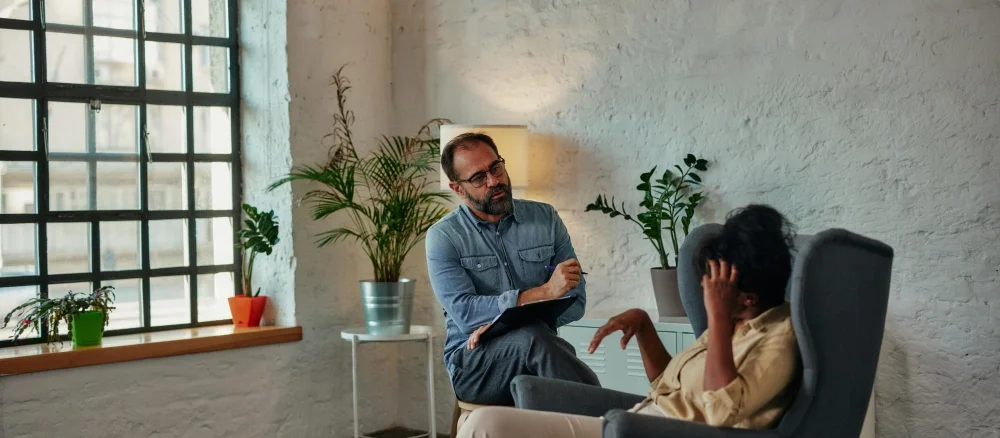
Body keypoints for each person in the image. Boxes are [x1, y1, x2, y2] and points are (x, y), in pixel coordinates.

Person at [457, 204, 802, 437]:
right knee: (483, 421)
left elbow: (717, 412)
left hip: (650, 432)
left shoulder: (776, 341)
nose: (704, 287)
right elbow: (668, 387)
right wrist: (644, 327)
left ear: (747, 296)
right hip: (637, 418)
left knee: (488, 425)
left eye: (715, 283)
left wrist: (718, 318)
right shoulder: (737, 321)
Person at [425, 132, 600, 407]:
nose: (494, 181)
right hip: (474, 365)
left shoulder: (546, 219)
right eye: (478, 178)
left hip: (539, 355)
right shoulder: (444, 237)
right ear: (458, 189)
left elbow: (575, 302)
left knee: (533, 338)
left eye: (496, 167)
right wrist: (545, 292)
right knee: (533, 338)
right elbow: (466, 314)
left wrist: (501, 323)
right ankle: (613, 421)